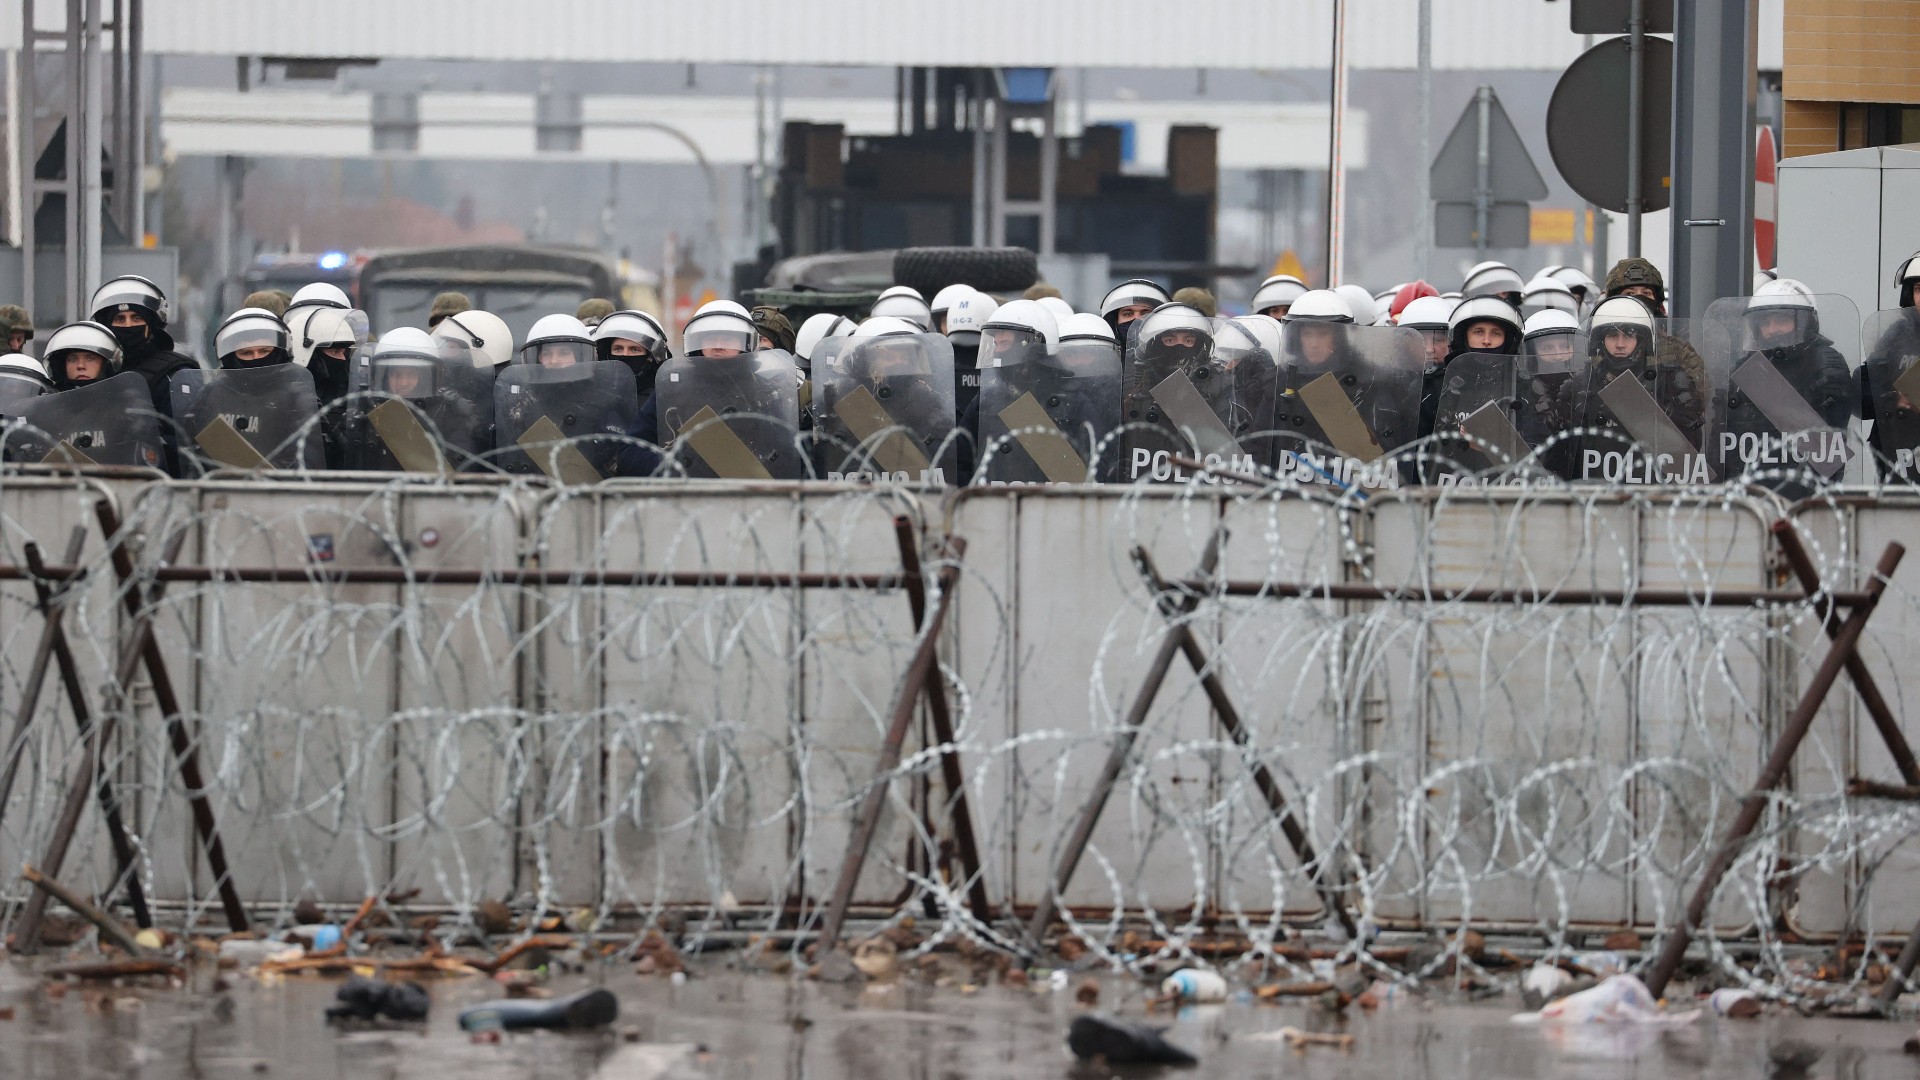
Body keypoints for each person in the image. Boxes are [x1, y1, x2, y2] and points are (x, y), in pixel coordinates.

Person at [1550, 295, 1709, 483]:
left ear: (1642, 340)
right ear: (1599, 341)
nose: (1620, 344)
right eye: (1612, 335)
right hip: (1593, 491)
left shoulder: (1669, 383)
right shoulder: (1579, 386)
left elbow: (1689, 450)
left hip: (1655, 491)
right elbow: (1559, 456)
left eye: (1628, 335)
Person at [1716, 279, 1853, 483]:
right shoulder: (1749, 365)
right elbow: (1726, 434)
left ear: (1806, 322)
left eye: (1781, 320)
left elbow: (1831, 431)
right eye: (1765, 322)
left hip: (1807, 482)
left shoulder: (1823, 360)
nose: (1772, 329)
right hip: (1751, 480)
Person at [88, 274, 195, 422]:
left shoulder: (174, 374)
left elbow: (185, 436)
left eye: (136, 318)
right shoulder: (96, 370)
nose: (128, 325)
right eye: (120, 319)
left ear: (150, 325)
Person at [1863, 250, 1920, 478]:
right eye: (1918, 289)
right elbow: (1865, 389)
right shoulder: (1897, 335)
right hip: (1898, 455)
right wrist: (1894, 397)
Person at [593, 309, 672, 406]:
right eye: (618, 349)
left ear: (651, 356)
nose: (625, 354)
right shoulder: (595, 395)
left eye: (634, 349)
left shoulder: (664, 397)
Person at [42, 320, 120, 391]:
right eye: (73, 359)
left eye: (90, 358)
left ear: (105, 364)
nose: (80, 366)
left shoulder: (122, 401)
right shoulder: (50, 402)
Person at [213, 307, 294, 369]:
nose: (256, 358)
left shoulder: (298, 388)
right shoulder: (215, 390)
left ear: (279, 353)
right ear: (230, 358)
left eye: (264, 351)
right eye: (246, 353)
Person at [1098, 278, 1171, 344]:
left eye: (1145, 314)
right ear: (1115, 321)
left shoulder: (1175, 356)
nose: (1136, 319)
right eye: (1128, 314)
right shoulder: (1101, 357)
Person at [1460, 261, 1524, 307]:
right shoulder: (1466, 323)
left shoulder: (1520, 324)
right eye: (1493, 291)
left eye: (1504, 293)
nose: (1500, 297)